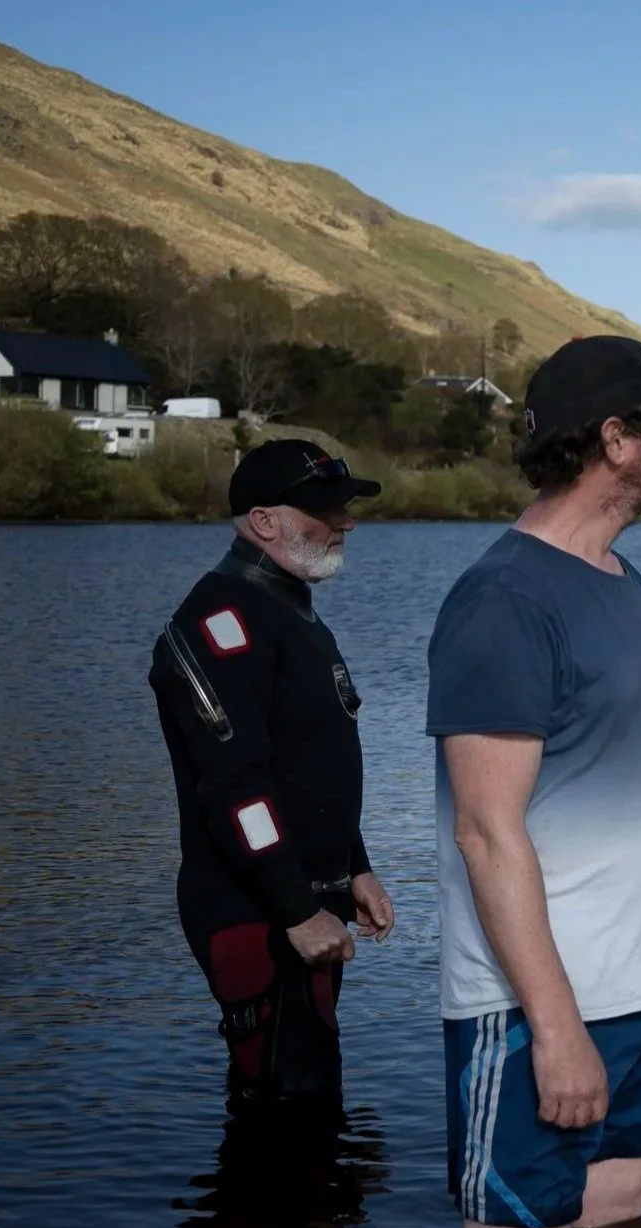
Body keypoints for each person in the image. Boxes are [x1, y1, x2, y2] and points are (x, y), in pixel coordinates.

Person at [427, 336, 641, 1228]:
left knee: (616, 1214)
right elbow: (486, 830)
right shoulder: (503, 600)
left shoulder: (620, 580)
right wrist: (554, 1026)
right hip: (536, 1006)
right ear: (616, 438)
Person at [149, 439, 395, 1106]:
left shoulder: (290, 611)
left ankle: (311, 1211)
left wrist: (356, 865)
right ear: (263, 521)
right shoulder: (219, 622)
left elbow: (311, 762)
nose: (345, 521)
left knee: (312, 1102)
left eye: (343, 506)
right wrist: (296, 908)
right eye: (324, 509)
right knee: (284, 1107)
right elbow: (237, 785)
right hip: (256, 912)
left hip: (309, 901)